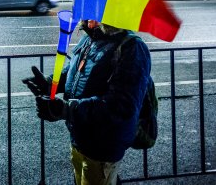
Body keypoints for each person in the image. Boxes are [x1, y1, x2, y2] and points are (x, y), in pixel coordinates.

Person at [23, 19, 151, 185]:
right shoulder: (91, 38)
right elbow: (73, 72)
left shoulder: (132, 48)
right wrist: (49, 83)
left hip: (103, 145)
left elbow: (121, 106)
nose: (87, 12)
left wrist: (67, 109)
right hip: (80, 138)